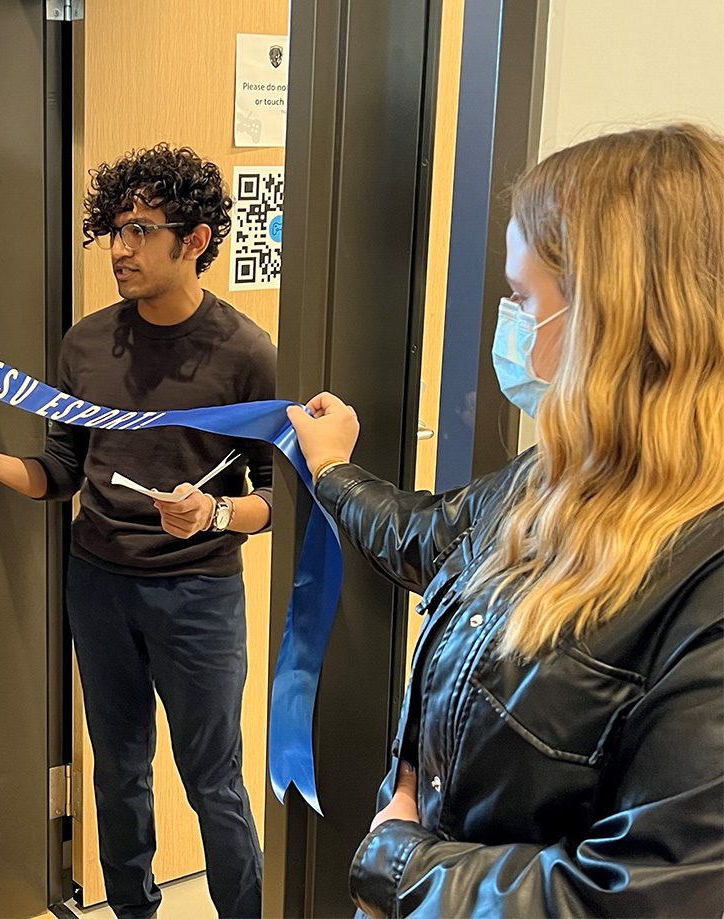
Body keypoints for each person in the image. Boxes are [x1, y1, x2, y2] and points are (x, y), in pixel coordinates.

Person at [289, 123, 724, 917]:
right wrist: (332, 470)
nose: (514, 338)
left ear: (612, 316)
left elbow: (646, 895)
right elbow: (428, 534)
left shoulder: (707, 587)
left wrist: (401, 863)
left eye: (525, 302)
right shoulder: (551, 478)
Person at [0, 144, 273, 918]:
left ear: (197, 240)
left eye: (141, 230)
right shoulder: (86, 344)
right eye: (113, 230)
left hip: (199, 595)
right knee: (118, 770)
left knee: (213, 779)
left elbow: (277, 497)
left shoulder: (248, 353)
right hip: (99, 583)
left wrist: (213, 513)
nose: (120, 249)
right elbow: (62, 468)